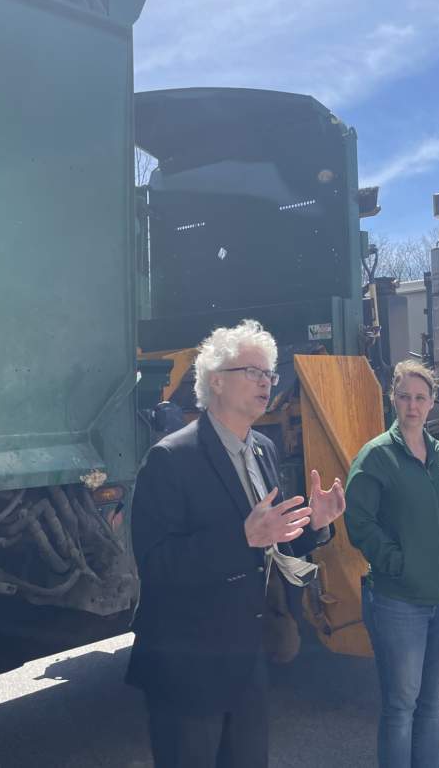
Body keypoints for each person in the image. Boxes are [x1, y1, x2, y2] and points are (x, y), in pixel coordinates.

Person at [126, 319, 346, 768]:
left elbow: (273, 543)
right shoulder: (171, 458)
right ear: (215, 382)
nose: (266, 381)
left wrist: (314, 525)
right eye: (253, 371)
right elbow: (157, 565)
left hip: (247, 660)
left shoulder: (263, 449)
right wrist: (241, 536)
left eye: (269, 373)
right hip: (186, 668)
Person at [345, 360, 439, 768]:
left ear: (432, 402)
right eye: (405, 397)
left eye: (420, 398)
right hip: (400, 601)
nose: (413, 406)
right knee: (401, 705)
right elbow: (359, 521)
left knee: (434, 704)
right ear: (394, 400)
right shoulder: (376, 457)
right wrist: (396, 563)